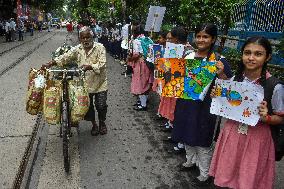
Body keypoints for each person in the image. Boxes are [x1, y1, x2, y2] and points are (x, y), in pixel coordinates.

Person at [209, 36, 284, 189]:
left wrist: (267, 117)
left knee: (249, 179)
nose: (251, 58)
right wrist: (218, 96)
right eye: (247, 53)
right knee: (228, 175)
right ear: (242, 54)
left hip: (258, 140)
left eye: (258, 54)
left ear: (267, 57)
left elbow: (281, 119)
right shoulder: (235, 80)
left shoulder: (275, 87)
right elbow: (227, 102)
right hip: (232, 134)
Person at [171, 23, 232, 187]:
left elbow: (231, 88)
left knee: (203, 139)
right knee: (186, 133)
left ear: (213, 39)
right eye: (198, 36)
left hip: (206, 108)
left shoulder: (219, 61)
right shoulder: (188, 56)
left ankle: (205, 173)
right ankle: (190, 161)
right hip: (185, 104)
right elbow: (177, 80)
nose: (201, 39)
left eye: (205, 36)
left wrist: (222, 74)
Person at [43, 26, 108, 136]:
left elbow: (102, 64)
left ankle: (102, 123)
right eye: (83, 38)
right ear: (80, 39)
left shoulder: (100, 47)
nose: (86, 40)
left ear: (92, 36)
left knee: (101, 105)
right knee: (88, 107)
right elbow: (65, 57)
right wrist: (51, 63)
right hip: (85, 84)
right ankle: (94, 124)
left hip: (100, 82)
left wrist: (89, 66)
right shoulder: (77, 49)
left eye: (88, 37)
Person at [127, 24, 153, 111]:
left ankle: (143, 105)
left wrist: (129, 59)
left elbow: (137, 55)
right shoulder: (149, 39)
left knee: (140, 83)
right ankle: (144, 100)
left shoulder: (136, 41)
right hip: (148, 64)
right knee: (146, 83)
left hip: (140, 64)